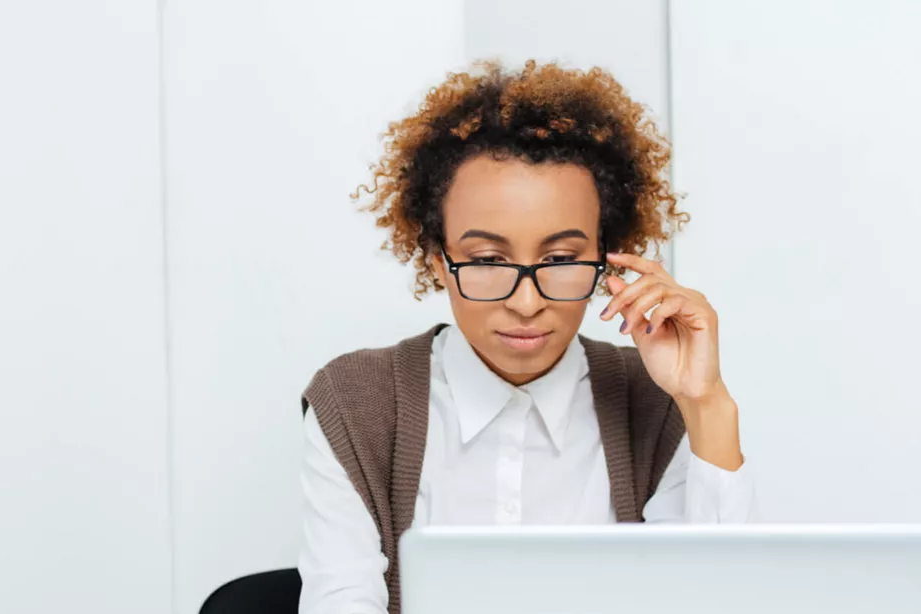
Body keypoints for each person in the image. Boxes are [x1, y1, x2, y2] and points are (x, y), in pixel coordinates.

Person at [298, 60, 754, 614]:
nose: (526, 301)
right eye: (488, 259)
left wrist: (705, 404)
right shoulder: (356, 401)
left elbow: (713, 599)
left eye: (560, 259)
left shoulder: (659, 401)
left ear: (607, 259)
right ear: (437, 260)